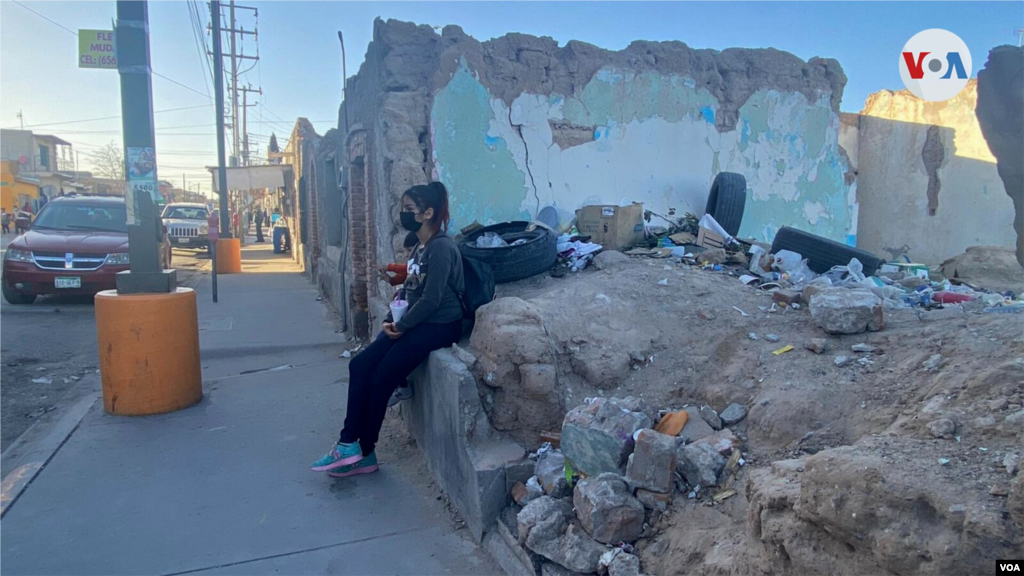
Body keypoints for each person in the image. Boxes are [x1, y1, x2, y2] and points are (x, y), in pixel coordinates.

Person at [310, 182, 464, 478]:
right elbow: (416, 284)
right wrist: (395, 306)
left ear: (427, 213)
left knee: (382, 377)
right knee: (360, 365)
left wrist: (400, 326)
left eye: (409, 209)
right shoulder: (420, 246)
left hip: (441, 325)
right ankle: (347, 444)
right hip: (415, 321)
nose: (402, 214)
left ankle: (365, 452)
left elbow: (433, 299)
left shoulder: (442, 247)